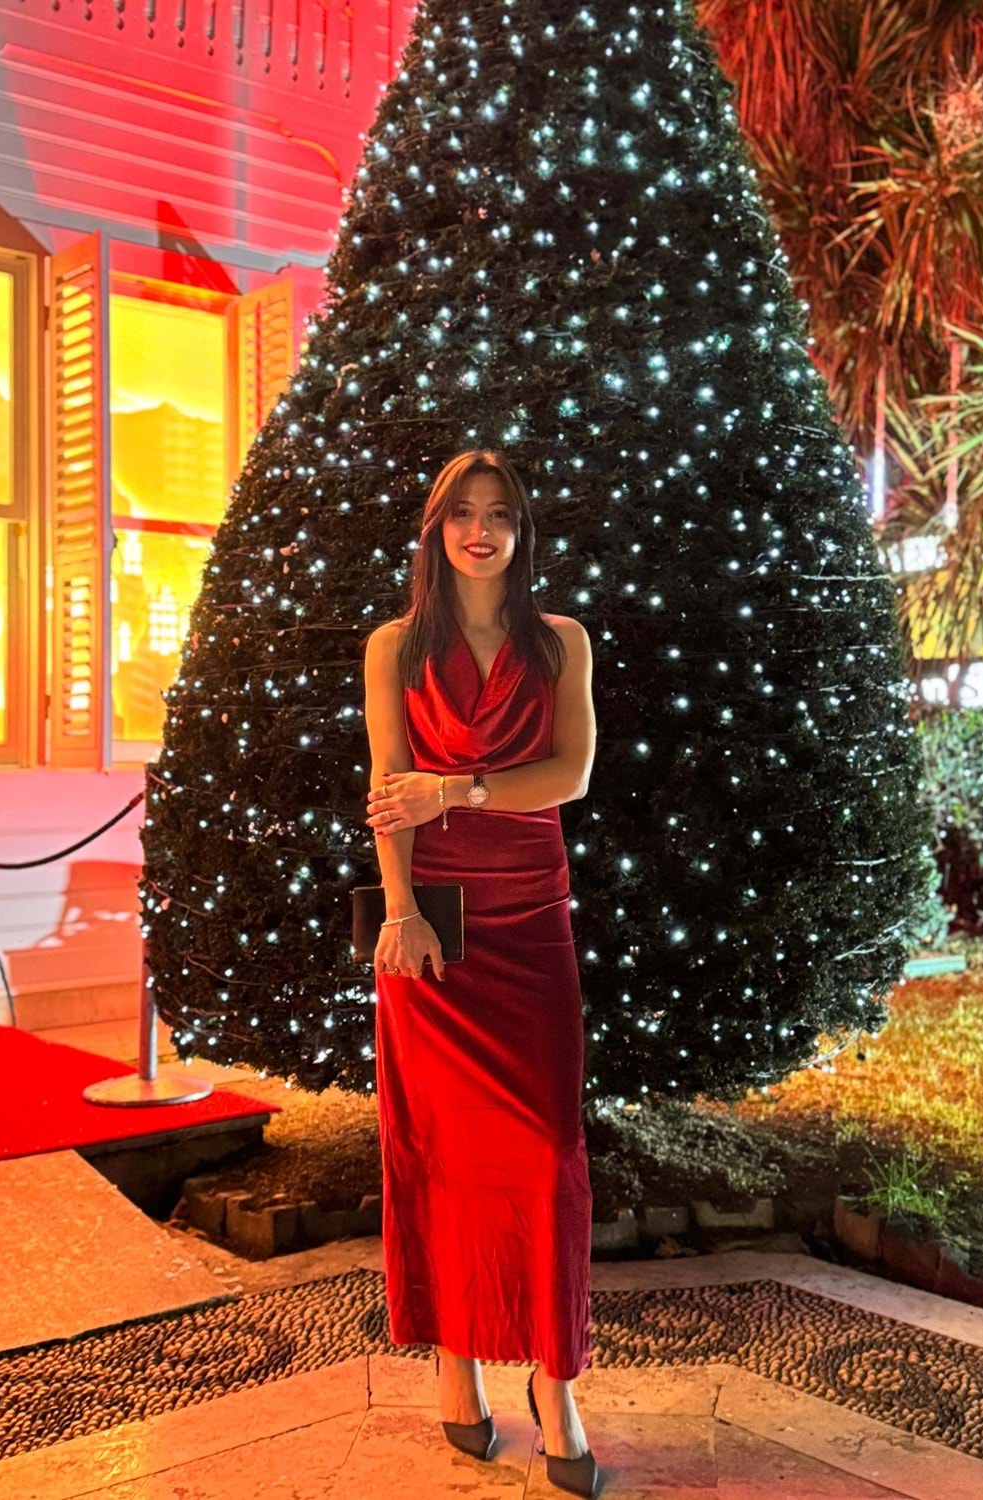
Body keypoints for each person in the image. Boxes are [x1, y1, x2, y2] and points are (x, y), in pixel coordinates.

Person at [362, 449, 603, 1498]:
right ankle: (457, 1363)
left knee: (548, 1155)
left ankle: (555, 1378)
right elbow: (387, 789)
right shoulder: (394, 647)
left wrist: (453, 789)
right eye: (462, 512)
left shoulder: (560, 641)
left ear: (521, 531)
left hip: (531, 923)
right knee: (442, 1157)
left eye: (498, 514)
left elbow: (571, 774)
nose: (479, 530)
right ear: (436, 528)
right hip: (435, 928)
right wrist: (401, 910)